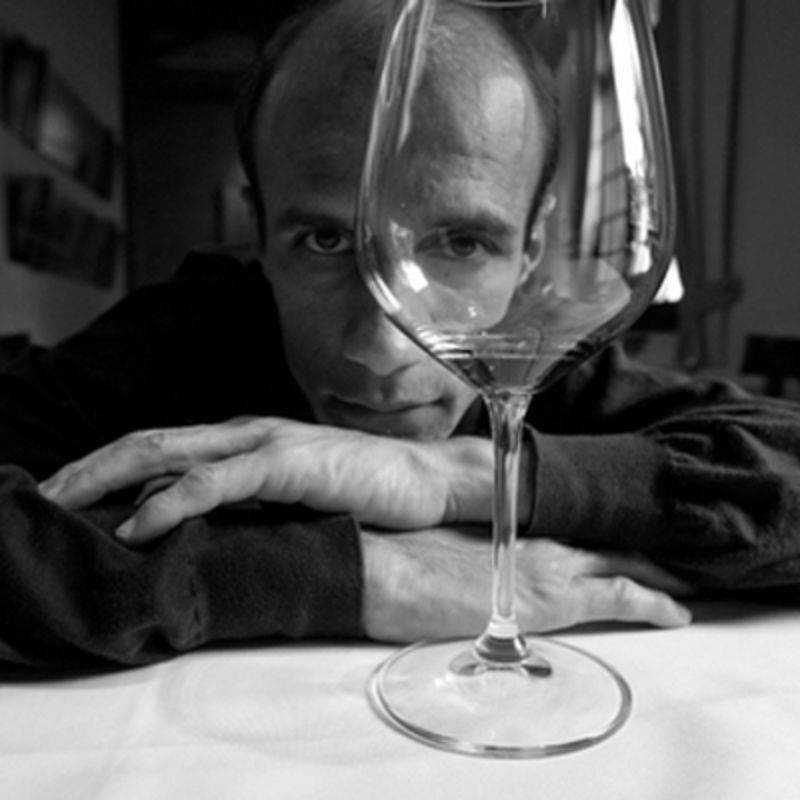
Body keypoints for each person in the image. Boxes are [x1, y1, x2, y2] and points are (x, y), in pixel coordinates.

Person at [2, 0, 800, 672]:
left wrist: (459, 478)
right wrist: (354, 576)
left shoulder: (549, 370)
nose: (383, 348)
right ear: (259, 232)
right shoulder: (175, 338)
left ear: (529, 250)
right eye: (326, 241)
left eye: (464, 243)